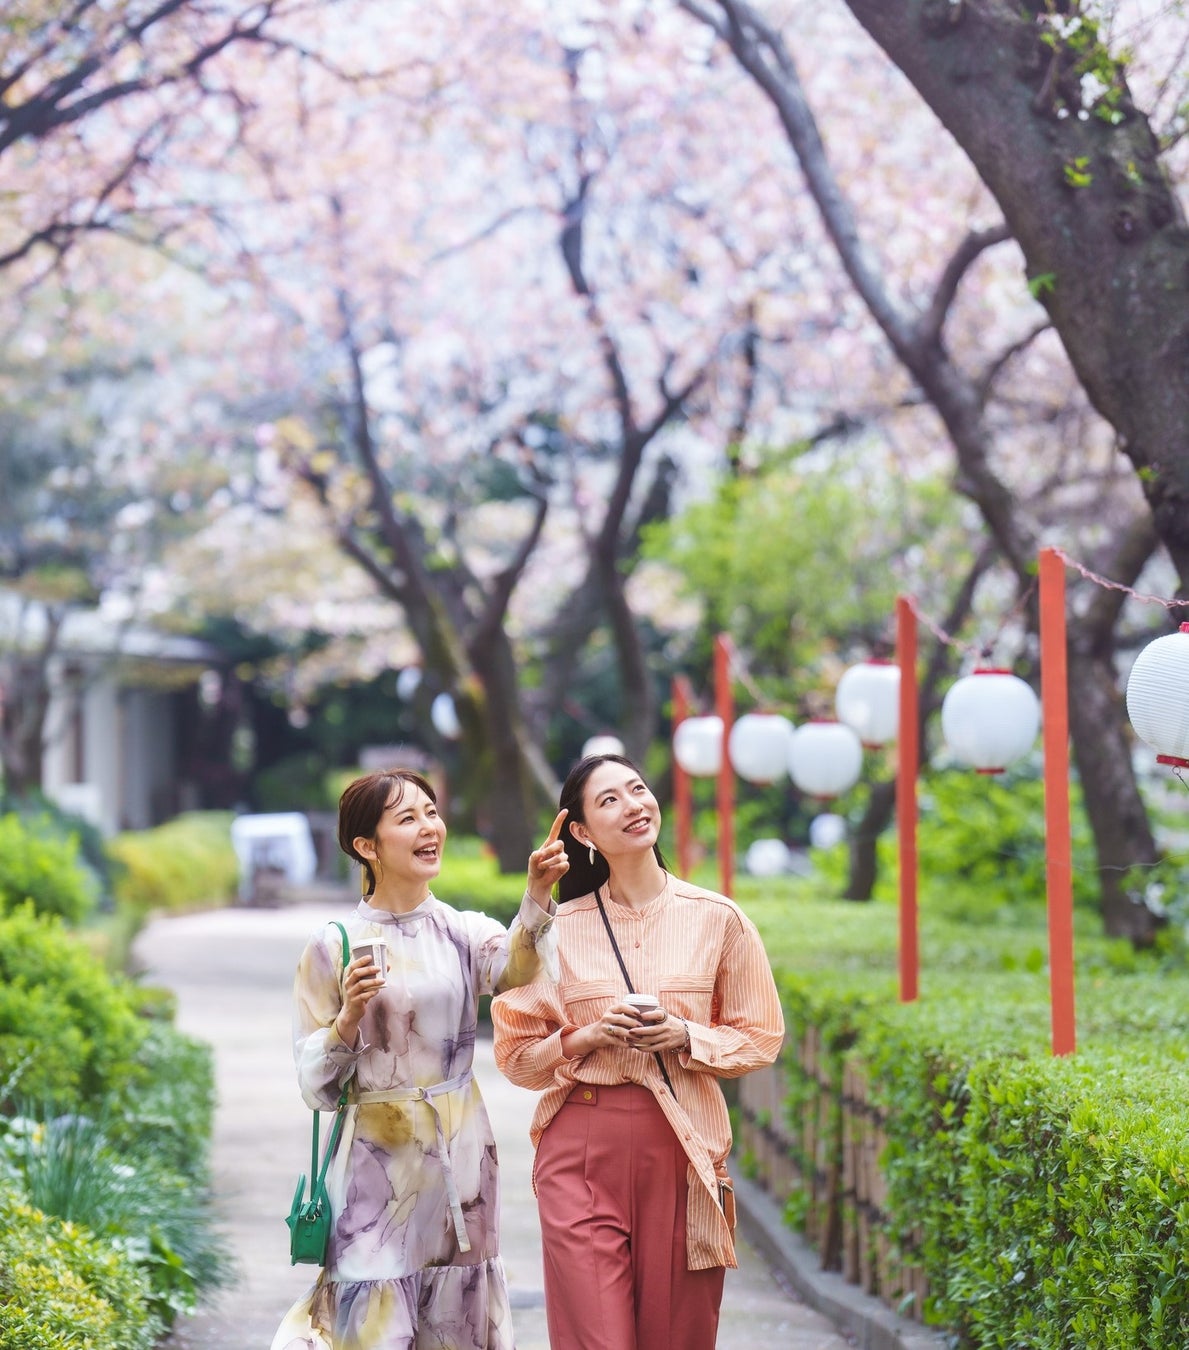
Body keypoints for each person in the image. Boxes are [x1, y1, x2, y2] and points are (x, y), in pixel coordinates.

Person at [491, 753, 785, 1350]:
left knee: (676, 1334)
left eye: (638, 789)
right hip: (581, 1143)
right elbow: (517, 1056)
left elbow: (760, 1035)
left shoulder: (719, 919)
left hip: (682, 1144)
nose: (633, 805)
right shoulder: (558, 928)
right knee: (595, 1336)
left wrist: (685, 1035)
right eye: (609, 800)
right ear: (581, 833)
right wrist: (587, 1035)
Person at [271, 768, 562, 1350]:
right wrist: (349, 1017)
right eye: (408, 818)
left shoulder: (459, 930)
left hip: (461, 1156)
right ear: (367, 846)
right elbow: (316, 1088)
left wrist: (535, 896)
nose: (430, 827)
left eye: (431, 813)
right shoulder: (333, 944)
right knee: (375, 1322)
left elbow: (516, 969)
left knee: (457, 1317)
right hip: (375, 1169)